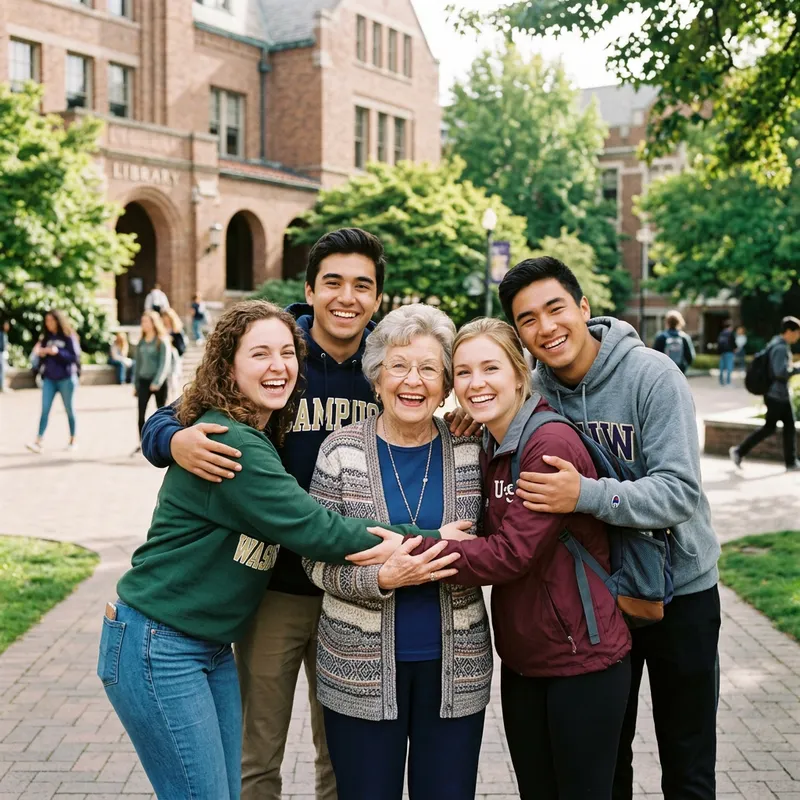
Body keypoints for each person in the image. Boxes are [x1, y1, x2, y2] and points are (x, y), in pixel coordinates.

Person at [139, 228, 478, 800]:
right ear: (310, 288)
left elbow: (439, 396)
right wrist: (172, 440)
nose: (347, 297)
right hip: (273, 587)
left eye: (362, 286)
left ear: (377, 298)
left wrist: (465, 412)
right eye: (333, 283)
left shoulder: (387, 358)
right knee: (258, 752)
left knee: (342, 757)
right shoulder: (277, 352)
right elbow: (176, 414)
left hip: (358, 592)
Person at [360, 316, 632, 799]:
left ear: (520, 373)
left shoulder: (548, 443)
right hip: (526, 658)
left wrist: (410, 546)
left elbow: (510, 555)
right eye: (463, 372)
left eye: (490, 369)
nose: (476, 383)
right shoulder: (487, 441)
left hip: (581, 657)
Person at [498, 257, 721, 800]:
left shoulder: (652, 375)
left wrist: (587, 495)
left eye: (555, 309)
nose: (546, 328)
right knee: (604, 760)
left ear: (583, 308)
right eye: (528, 320)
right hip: (600, 598)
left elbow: (679, 492)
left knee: (687, 758)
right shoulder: (535, 394)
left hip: (680, 594)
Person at [304, 304, 492, 800]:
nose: (413, 381)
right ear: (376, 376)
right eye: (399, 365)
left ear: (448, 383)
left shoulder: (473, 449)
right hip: (355, 669)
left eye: (429, 368)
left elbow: (499, 544)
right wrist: (382, 579)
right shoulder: (340, 450)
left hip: (457, 668)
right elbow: (316, 562)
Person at [730, 316, 800, 472]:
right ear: (788, 331)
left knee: (785, 426)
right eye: (796, 333)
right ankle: (739, 451)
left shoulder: (776, 343)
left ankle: (791, 461)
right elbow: (779, 372)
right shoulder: (780, 347)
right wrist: (797, 369)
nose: (797, 337)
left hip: (777, 394)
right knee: (773, 427)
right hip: (776, 395)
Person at [26, 310, 80, 454]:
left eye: (51, 320)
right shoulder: (46, 338)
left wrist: (58, 352)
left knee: (69, 409)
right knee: (45, 409)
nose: (49, 324)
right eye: (47, 321)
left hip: (66, 379)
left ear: (58, 321)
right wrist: (41, 353)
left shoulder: (68, 337)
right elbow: (43, 358)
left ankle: (73, 439)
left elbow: (74, 357)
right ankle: (38, 440)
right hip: (50, 378)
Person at [132, 311, 171, 454]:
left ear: (154, 323)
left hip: (158, 383)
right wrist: (135, 384)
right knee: (141, 412)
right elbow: (137, 365)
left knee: (162, 412)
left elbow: (164, 364)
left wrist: (157, 382)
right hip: (143, 381)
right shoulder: (141, 342)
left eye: (146, 321)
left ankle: (163, 442)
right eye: (142, 322)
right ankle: (142, 442)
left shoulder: (162, 341)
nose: (144, 324)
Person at [653, 310, 695, 375]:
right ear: (680, 322)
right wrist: (683, 368)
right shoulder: (684, 338)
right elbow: (690, 357)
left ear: (667, 322)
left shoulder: (661, 337)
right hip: (680, 371)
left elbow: (655, 356)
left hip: (664, 371)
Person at [161, 307, 187, 400]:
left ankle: (174, 399)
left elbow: (182, 347)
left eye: (167, 317)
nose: (165, 320)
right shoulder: (161, 329)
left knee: (173, 379)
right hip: (163, 357)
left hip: (174, 358)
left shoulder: (177, 331)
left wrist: (172, 344)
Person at [717, 319, 736, 386]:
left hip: (722, 352)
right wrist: (735, 349)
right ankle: (728, 382)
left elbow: (719, 343)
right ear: (730, 327)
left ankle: (721, 382)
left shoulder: (721, 333)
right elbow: (733, 343)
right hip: (729, 352)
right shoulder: (731, 333)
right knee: (729, 367)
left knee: (722, 367)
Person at [0, 318, 9, 393]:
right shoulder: (1, 334)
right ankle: (2, 386)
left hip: (3, 354)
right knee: (2, 370)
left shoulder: (4, 334)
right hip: (1, 354)